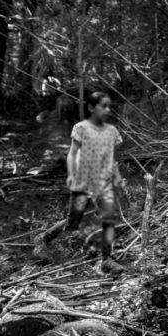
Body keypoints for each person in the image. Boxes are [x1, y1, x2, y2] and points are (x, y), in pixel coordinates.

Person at [66, 90, 126, 275]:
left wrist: (117, 178)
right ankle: (48, 238)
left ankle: (106, 260)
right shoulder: (80, 128)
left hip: (103, 183)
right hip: (82, 181)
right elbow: (72, 152)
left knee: (109, 218)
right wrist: (71, 174)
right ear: (91, 107)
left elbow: (111, 158)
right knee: (73, 221)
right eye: (103, 106)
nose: (107, 110)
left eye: (109, 106)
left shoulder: (112, 131)